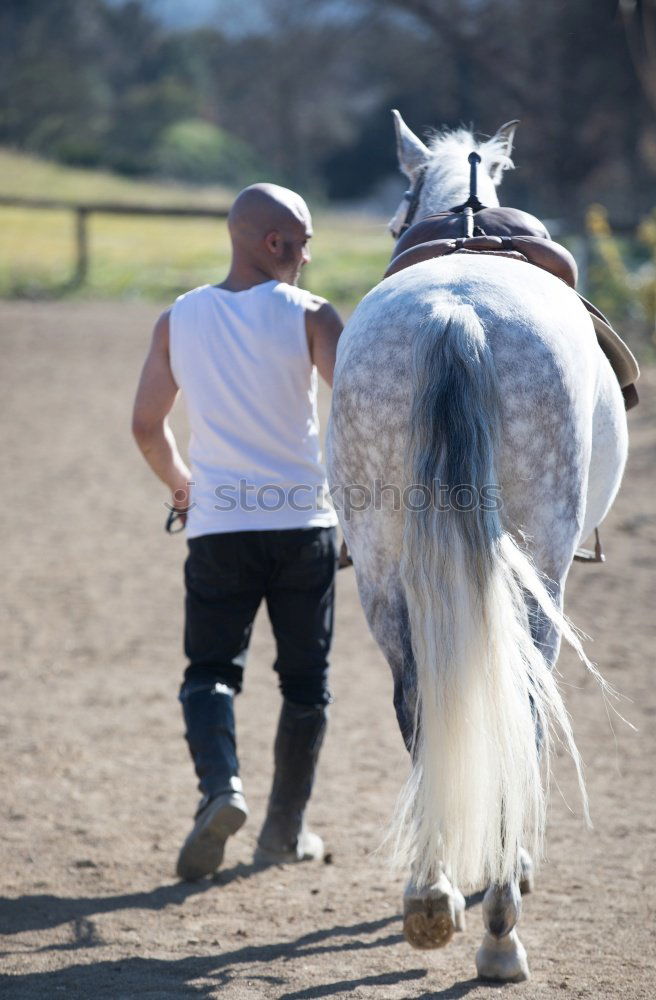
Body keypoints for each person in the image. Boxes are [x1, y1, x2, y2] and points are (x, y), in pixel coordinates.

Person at [132, 183, 343, 880]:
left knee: (210, 672)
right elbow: (357, 415)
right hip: (302, 525)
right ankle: (284, 832)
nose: (308, 256)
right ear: (275, 243)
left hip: (219, 524)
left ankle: (221, 790)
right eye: (303, 241)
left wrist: (184, 488)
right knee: (306, 684)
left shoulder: (179, 318)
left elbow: (146, 425)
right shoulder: (313, 316)